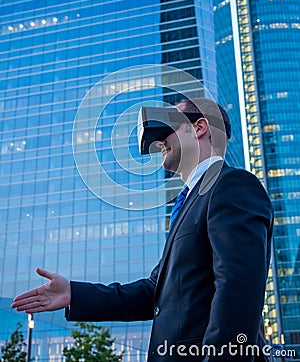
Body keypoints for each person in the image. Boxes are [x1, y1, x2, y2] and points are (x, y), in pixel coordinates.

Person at [12, 98, 274, 361]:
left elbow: (238, 288)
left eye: (168, 125)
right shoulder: (191, 202)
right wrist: (74, 293)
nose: (159, 141)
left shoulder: (231, 186)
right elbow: (154, 291)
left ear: (199, 127)